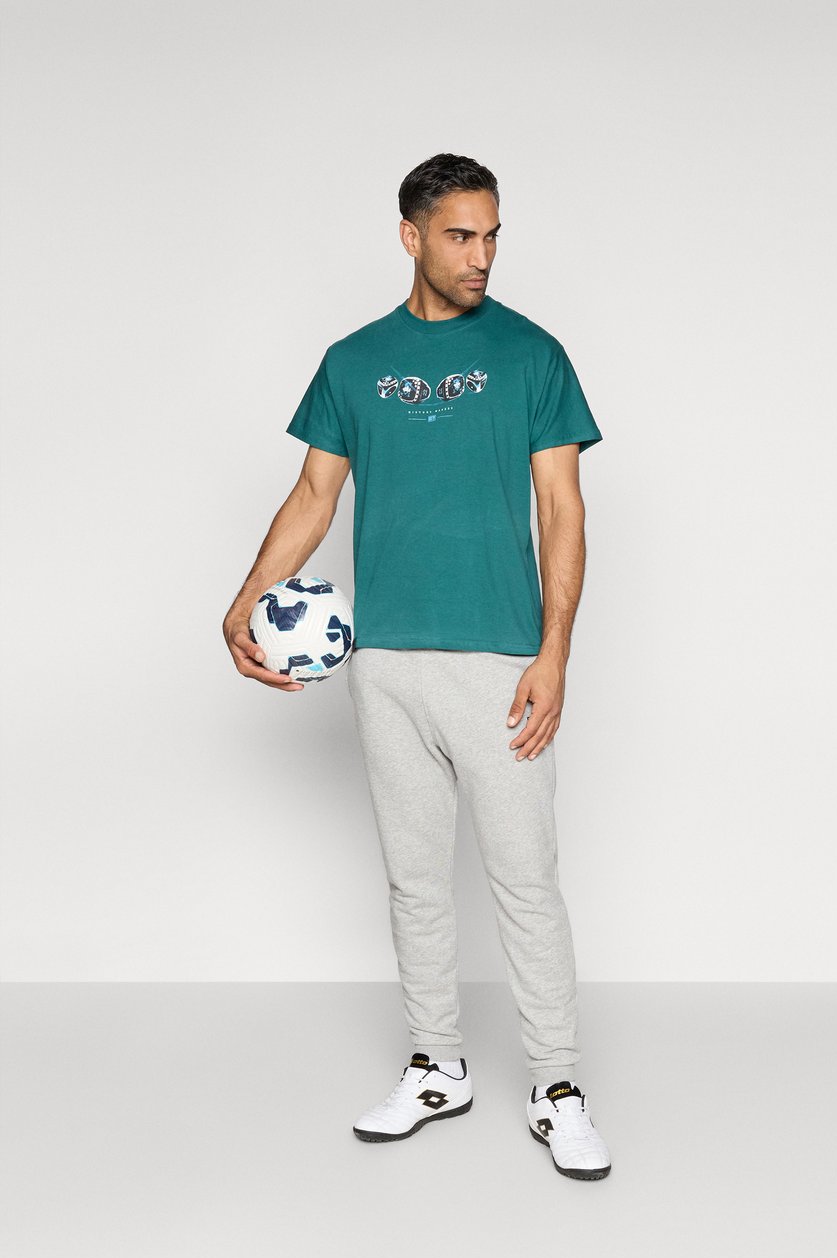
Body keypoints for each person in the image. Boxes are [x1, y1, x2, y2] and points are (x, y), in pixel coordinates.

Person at [222, 153, 612, 1181]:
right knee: (414, 880)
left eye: (493, 236)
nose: (482, 256)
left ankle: (557, 1086)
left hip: (501, 661)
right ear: (411, 235)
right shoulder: (353, 361)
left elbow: (563, 508)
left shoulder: (533, 355)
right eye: (460, 236)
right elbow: (314, 494)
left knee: (525, 881)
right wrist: (247, 595)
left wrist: (555, 652)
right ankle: (438, 1064)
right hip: (386, 660)